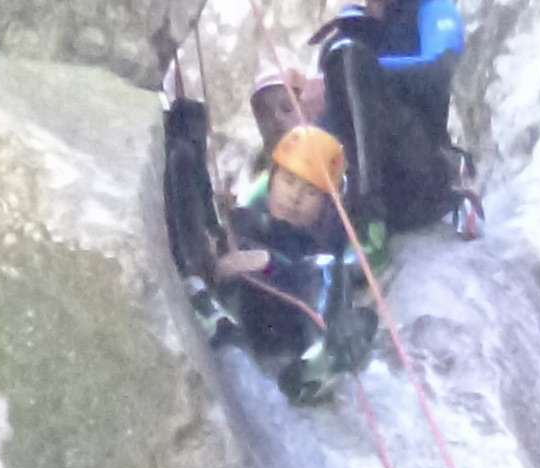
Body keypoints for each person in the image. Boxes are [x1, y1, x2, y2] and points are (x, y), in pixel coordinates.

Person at [158, 78, 376, 401]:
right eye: (288, 181)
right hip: (241, 310)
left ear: (325, 207)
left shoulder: (317, 245)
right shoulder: (248, 220)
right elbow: (221, 230)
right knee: (187, 169)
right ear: (272, 181)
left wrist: (269, 264)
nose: (295, 197)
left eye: (310, 192)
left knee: (331, 273)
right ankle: (184, 131)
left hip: (286, 324)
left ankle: (317, 360)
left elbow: (333, 269)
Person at [314, 0, 476, 243]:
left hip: (418, 173)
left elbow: (439, 68)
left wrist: (363, 70)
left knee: (347, 57)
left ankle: (367, 221)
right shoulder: (344, 35)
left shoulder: (433, 9)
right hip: (356, 172)